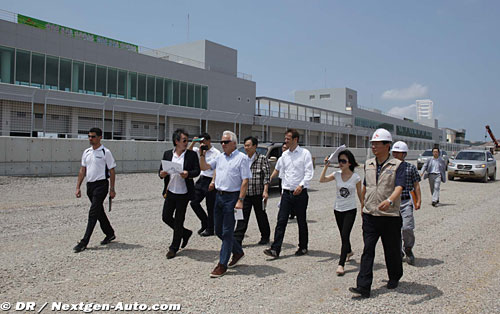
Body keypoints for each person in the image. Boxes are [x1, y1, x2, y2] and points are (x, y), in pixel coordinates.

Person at [349, 128, 406, 298]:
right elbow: (366, 185)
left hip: (390, 217)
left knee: (392, 250)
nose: (373, 146)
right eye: (372, 143)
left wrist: (389, 201)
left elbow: (399, 187)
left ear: (387, 145)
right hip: (370, 215)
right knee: (368, 250)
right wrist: (362, 204)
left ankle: (394, 276)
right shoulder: (369, 163)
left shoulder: (398, 165)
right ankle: (364, 287)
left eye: (377, 143)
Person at [199, 131, 251, 278]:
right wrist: (202, 155)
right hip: (219, 196)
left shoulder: (242, 159)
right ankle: (238, 251)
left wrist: (240, 200)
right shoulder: (220, 157)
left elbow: (245, 181)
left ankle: (222, 264)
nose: (223, 144)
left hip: (232, 197)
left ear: (234, 143)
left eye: (226, 142)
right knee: (218, 230)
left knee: (227, 231)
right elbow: (205, 168)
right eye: (221, 142)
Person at [264, 129, 314, 258]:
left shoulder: (304, 153)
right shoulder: (284, 156)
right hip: (286, 194)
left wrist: (301, 185)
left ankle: (303, 247)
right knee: (281, 221)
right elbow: (278, 170)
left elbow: (309, 172)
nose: (285, 141)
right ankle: (275, 249)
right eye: (285, 138)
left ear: (295, 140)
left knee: (301, 221)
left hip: (300, 193)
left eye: (288, 139)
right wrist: (267, 182)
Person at [73, 128, 117, 253]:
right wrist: (78, 187)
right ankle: (110, 233)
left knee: (93, 212)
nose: (90, 139)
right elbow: (82, 170)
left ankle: (84, 242)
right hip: (90, 186)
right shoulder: (86, 152)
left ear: (99, 137)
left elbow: (112, 171)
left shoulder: (105, 152)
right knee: (98, 211)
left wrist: (112, 189)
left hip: (101, 185)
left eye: (93, 136)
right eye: (89, 136)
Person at [319, 149, 362, 276]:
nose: (341, 163)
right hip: (338, 209)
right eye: (339, 161)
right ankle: (348, 251)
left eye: (343, 161)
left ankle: (341, 264)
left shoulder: (356, 177)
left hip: (350, 210)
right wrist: (326, 166)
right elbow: (322, 180)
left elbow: (360, 194)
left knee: (344, 235)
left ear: (350, 163)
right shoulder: (336, 174)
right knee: (343, 235)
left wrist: (363, 208)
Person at [159, 129, 200, 259]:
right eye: (184, 140)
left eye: (187, 140)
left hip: (184, 193)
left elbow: (197, 171)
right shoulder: (167, 154)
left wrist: (188, 174)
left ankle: (174, 247)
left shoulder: (191, 155)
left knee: (179, 219)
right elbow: (160, 171)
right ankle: (185, 232)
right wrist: (162, 174)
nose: (186, 143)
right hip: (170, 191)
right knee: (166, 217)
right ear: (176, 141)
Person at [234, 136, 271, 246]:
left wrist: (265, 191)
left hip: (258, 193)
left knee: (261, 216)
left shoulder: (262, 159)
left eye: (248, 145)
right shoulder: (243, 159)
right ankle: (237, 240)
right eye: (245, 145)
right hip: (245, 194)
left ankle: (265, 237)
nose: (246, 148)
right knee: (242, 217)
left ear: (255, 146)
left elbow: (266, 176)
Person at [391, 141, 421, 266]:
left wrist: (418, 200)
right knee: (394, 230)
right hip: (392, 203)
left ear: (404, 154)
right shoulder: (388, 168)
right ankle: (398, 252)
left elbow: (416, 185)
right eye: (395, 153)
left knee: (407, 227)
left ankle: (408, 248)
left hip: (406, 201)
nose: (397, 155)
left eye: (399, 153)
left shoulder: (410, 168)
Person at [188, 133, 220, 236]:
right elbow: (188, 153)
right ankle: (204, 221)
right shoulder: (199, 150)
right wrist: (193, 143)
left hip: (210, 180)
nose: (202, 143)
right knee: (193, 202)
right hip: (201, 179)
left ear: (209, 140)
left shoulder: (216, 153)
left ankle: (210, 229)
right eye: (200, 142)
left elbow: (217, 169)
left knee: (210, 206)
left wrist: (213, 182)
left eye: (204, 141)